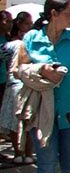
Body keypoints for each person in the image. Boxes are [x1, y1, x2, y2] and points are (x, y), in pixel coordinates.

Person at [15, 0, 70, 173]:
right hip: (42, 113)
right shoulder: (32, 38)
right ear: (54, 14)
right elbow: (19, 70)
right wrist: (41, 70)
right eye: (68, 13)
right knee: (45, 164)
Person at [0, 11, 34, 164]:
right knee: (17, 120)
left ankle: (26, 153)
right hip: (13, 83)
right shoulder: (15, 43)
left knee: (26, 119)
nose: (30, 26)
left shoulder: (17, 40)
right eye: (27, 23)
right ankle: (19, 152)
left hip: (18, 82)